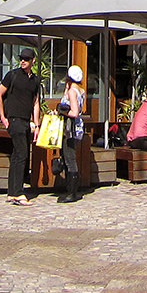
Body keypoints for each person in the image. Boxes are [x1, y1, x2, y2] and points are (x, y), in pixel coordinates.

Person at [0, 46, 41, 206]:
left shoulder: (35, 80)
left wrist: (37, 124)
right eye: (21, 58)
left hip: (26, 121)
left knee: (17, 156)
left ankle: (12, 192)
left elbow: (35, 102)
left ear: (33, 61)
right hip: (14, 120)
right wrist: (3, 116)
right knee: (21, 155)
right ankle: (18, 192)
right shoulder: (12, 75)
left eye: (26, 59)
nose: (23, 61)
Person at [57, 64, 86, 203]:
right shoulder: (81, 90)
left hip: (70, 128)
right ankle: (70, 189)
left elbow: (74, 112)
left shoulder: (72, 91)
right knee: (68, 156)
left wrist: (61, 111)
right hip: (76, 128)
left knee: (69, 159)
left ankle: (72, 193)